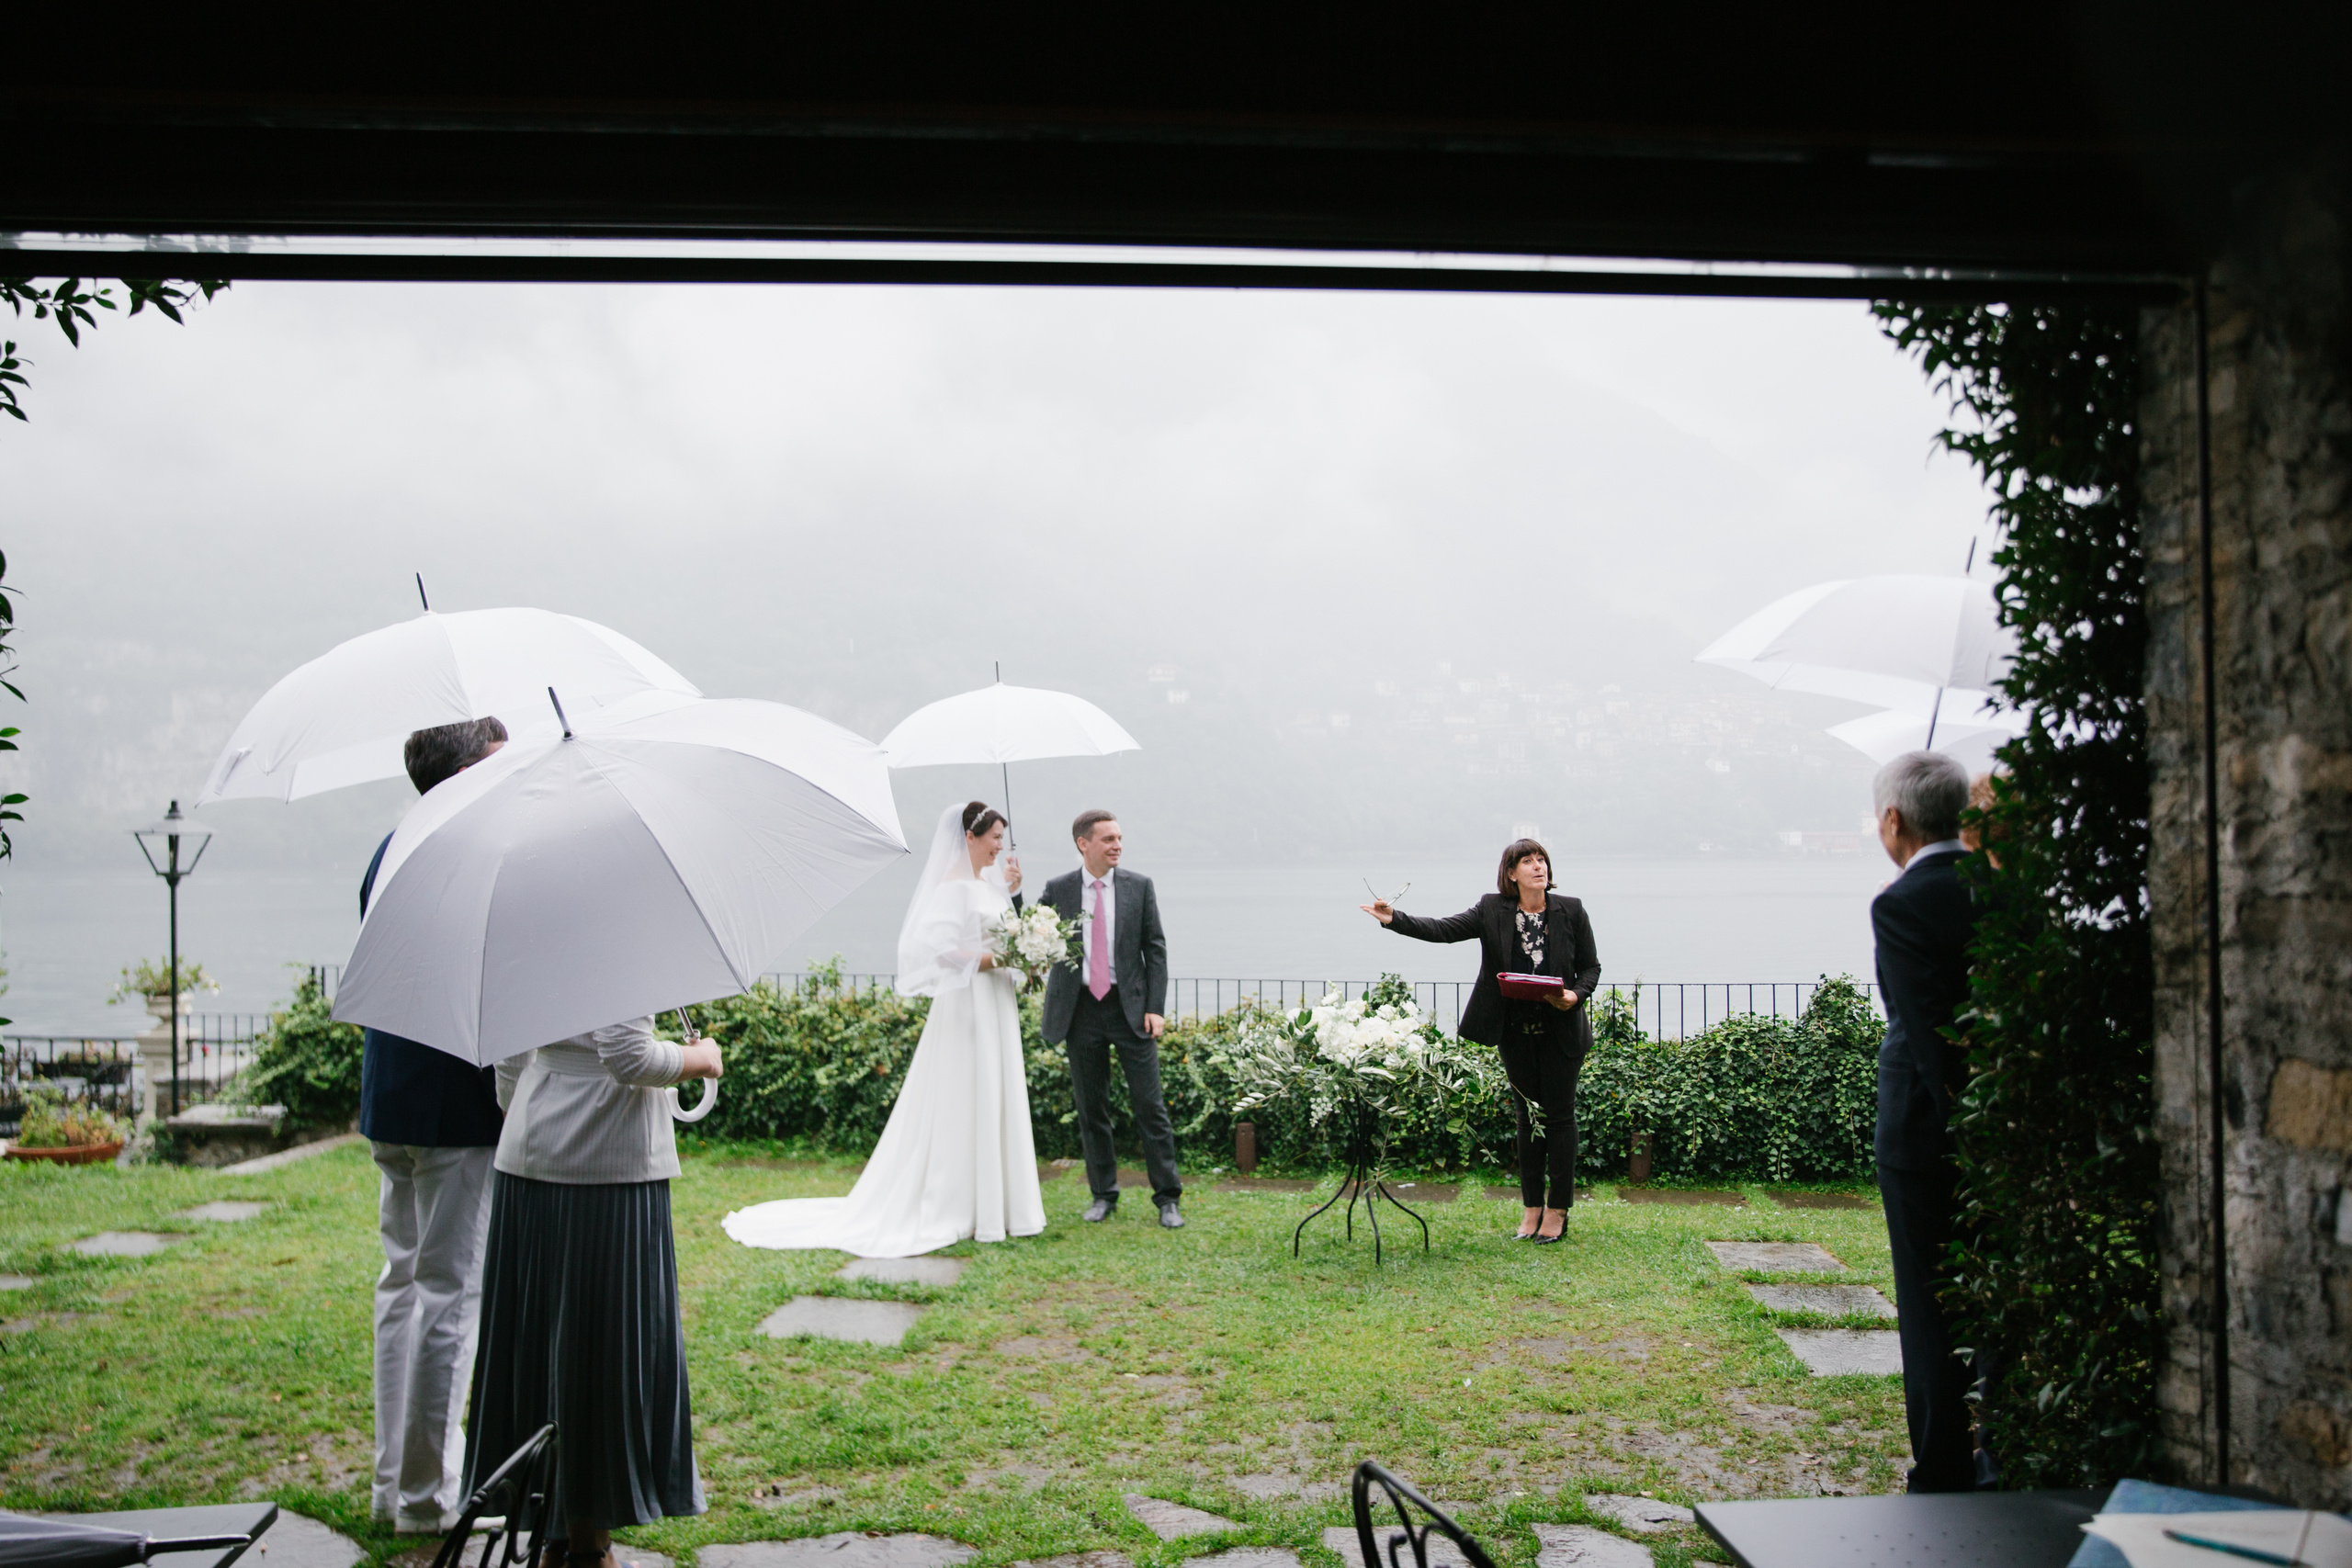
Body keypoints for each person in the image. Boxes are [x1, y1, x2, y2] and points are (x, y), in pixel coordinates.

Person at [721, 801, 1046, 1256]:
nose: (999, 846)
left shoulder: (990, 887)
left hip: (996, 1001)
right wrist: (1005, 958)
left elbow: (1003, 933)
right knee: (965, 1090)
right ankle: (958, 1201)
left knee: (997, 1088)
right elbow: (944, 953)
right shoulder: (951, 889)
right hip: (968, 1003)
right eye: (994, 837)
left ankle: (1001, 1205)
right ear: (970, 837)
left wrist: (1018, 913)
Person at [464, 1013, 722, 1568]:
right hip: (607, 1162)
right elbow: (627, 1055)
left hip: (531, 1148)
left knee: (543, 1353)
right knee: (600, 1359)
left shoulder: (527, 947)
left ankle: (557, 1535)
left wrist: (533, 1107)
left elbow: (510, 1058)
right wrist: (703, 1058)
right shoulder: (621, 948)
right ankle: (587, 1547)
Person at [362, 716, 508, 1536]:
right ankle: (427, 1499)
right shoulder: (472, 852)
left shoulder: (390, 849)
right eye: (496, 761)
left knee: (400, 1288)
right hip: (454, 1103)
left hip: (391, 1092)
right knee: (448, 1293)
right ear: (463, 771)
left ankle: (393, 1486)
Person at [1362, 839, 1599, 1244]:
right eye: (1528, 861)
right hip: (1514, 1035)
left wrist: (1574, 996)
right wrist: (1394, 919)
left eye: (1542, 859)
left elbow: (1590, 967)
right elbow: (1444, 930)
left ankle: (1558, 1210)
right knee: (1527, 1119)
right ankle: (1532, 1208)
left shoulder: (1571, 910)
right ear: (1511, 873)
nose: (1538, 866)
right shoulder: (1492, 909)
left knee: (1560, 1119)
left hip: (1562, 1034)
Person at [1868, 749, 1986, 1493]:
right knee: (1993, 1295)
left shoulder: (1900, 903)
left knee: (1927, 1302)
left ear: (1893, 820)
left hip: (1920, 1133)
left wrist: (1959, 1133)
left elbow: (1926, 1029)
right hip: (2001, 1128)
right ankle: (2000, 1447)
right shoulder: (1999, 887)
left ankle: (1943, 1463)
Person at [1033, 809, 1181, 1227]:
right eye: (1108, 839)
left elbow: (1155, 949)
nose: (1118, 845)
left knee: (1150, 1107)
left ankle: (1168, 1199)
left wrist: (1155, 1007)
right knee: (1091, 1108)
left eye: (1119, 838)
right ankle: (1103, 1195)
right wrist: (1013, 893)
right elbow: (1032, 933)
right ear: (1084, 844)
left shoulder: (1140, 886)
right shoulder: (1059, 889)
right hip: (1079, 1010)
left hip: (1129, 1009)